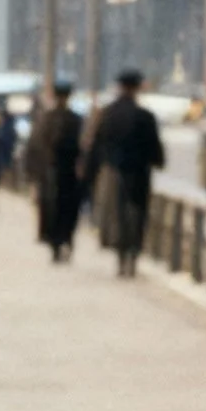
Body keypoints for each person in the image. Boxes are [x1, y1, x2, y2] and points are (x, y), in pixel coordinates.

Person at [84, 67, 162, 276]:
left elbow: (96, 147)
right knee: (137, 214)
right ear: (136, 88)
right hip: (139, 174)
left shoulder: (108, 114)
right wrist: (156, 161)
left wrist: (89, 174)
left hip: (113, 172)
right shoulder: (145, 116)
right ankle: (133, 255)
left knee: (116, 214)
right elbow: (155, 150)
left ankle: (120, 257)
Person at [26, 79, 85, 262]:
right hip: (70, 174)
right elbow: (84, 148)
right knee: (69, 210)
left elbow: (34, 147)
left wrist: (33, 173)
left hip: (49, 173)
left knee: (51, 209)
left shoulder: (45, 119)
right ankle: (66, 239)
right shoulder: (76, 120)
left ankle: (55, 245)